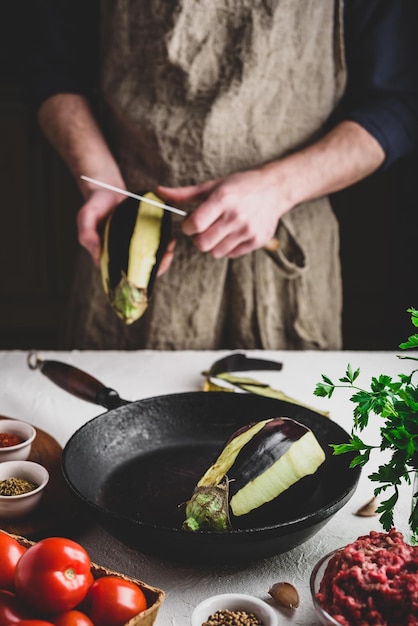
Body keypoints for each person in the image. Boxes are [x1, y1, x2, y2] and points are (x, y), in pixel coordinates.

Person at [27, 0, 418, 350]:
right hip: (132, 229)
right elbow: (54, 68)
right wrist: (98, 177)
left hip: (283, 247)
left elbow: (400, 101)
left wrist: (279, 187)